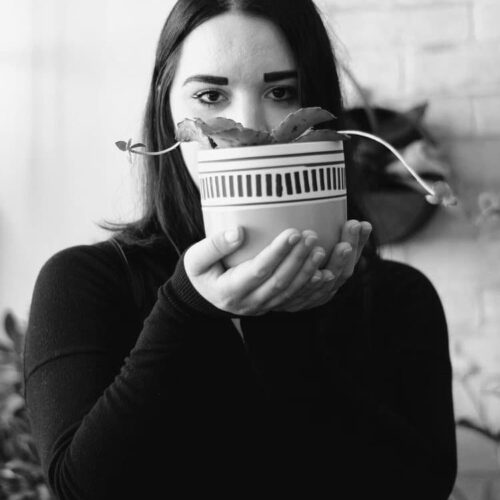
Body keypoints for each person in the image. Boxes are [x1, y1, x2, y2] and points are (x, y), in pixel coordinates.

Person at [23, 0, 457, 498]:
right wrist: (187, 307)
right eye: (210, 95)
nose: (249, 130)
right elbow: (80, 489)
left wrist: (286, 325)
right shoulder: (87, 282)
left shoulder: (398, 297)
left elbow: (421, 487)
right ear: (167, 110)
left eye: (281, 91)